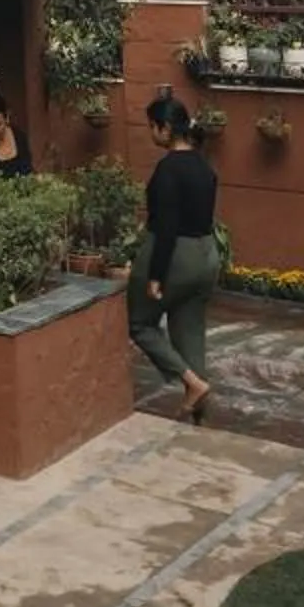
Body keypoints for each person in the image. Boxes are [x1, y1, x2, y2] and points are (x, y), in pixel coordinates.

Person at [127, 93, 218, 422]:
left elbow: (166, 227)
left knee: (140, 324)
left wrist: (155, 276)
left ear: (164, 128)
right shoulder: (204, 166)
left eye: (151, 127)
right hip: (206, 254)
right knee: (190, 331)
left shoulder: (167, 170)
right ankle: (201, 412)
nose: (151, 133)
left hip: (175, 254)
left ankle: (192, 384)